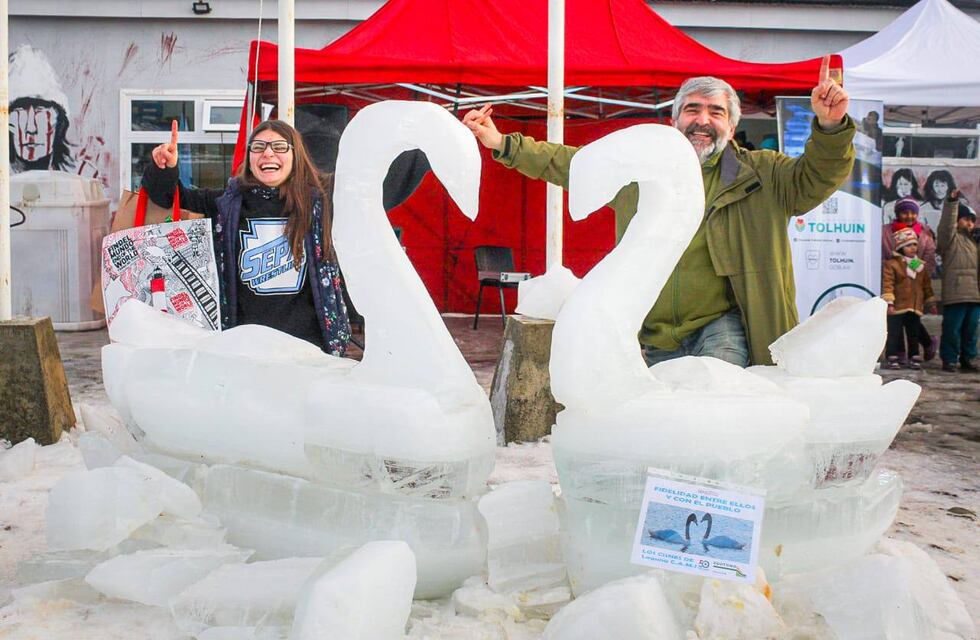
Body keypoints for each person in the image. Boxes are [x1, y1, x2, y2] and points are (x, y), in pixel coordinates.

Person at [462, 56, 855, 367]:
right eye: (693, 109)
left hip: (722, 326)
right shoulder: (640, 170)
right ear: (674, 120)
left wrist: (830, 125)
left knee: (711, 409)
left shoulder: (765, 174)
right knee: (661, 427)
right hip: (653, 331)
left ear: (732, 127)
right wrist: (502, 143)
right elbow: (573, 164)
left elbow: (816, 177)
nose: (703, 120)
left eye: (716, 113)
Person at [142, 119, 351, 356]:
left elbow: (377, 190)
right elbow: (167, 197)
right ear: (249, 157)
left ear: (296, 155)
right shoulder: (226, 204)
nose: (268, 153)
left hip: (309, 347)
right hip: (244, 348)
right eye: (259, 147)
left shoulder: (322, 201)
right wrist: (164, 169)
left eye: (280, 147)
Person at [881, 197, 939, 361]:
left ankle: (925, 344)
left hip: (913, 285)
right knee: (894, 319)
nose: (909, 216)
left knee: (911, 320)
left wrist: (912, 269)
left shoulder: (925, 234)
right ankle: (899, 352)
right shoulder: (885, 232)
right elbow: (879, 254)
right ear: (898, 213)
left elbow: (929, 261)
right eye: (905, 212)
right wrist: (893, 269)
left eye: (913, 213)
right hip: (892, 280)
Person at [937, 190, 979, 372]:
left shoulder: (975, 242)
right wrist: (952, 203)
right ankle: (949, 359)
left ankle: (968, 358)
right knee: (952, 330)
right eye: (966, 219)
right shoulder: (950, 239)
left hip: (975, 295)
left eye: (972, 220)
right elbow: (946, 224)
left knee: (971, 330)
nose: (969, 223)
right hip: (956, 294)